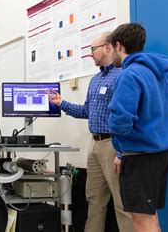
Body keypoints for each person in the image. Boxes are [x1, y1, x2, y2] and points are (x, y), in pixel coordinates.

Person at [48, 33, 133, 232]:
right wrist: (62, 104)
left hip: (114, 144)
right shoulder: (95, 80)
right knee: (94, 200)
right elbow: (87, 111)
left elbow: (126, 114)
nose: (90, 54)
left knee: (121, 203)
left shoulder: (122, 75)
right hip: (94, 144)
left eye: (93, 49)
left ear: (108, 48)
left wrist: (121, 150)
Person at [107, 23, 168, 232]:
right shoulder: (160, 73)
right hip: (160, 155)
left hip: (139, 159)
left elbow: (121, 121)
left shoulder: (129, 75)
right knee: (149, 217)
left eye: (111, 49)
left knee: (142, 221)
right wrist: (156, 125)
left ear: (119, 46)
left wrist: (121, 149)